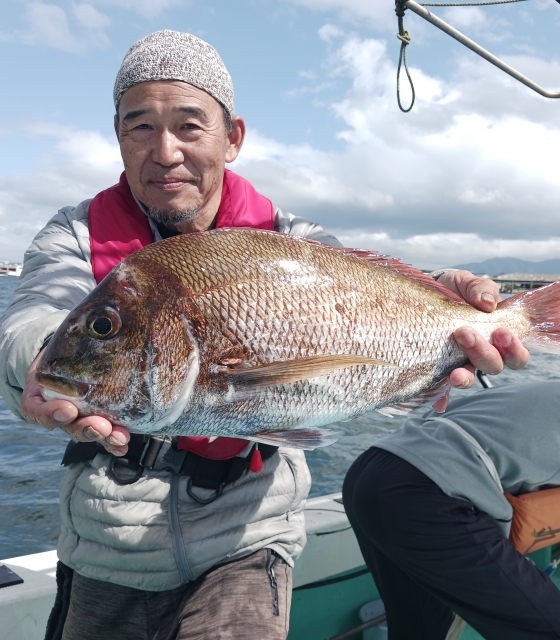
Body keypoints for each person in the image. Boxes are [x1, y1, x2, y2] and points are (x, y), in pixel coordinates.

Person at [0, 30, 529, 640]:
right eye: (140, 127)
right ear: (119, 137)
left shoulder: (293, 240)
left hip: (249, 541)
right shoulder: (73, 234)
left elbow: (370, 305)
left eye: (189, 126)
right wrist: (40, 362)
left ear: (233, 138)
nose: (165, 151)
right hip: (105, 543)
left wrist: (448, 307)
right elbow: (31, 321)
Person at [342, 379, 560, 640]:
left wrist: (541, 598)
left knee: (421, 627)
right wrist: (547, 609)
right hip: (427, 492)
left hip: (372, 473)